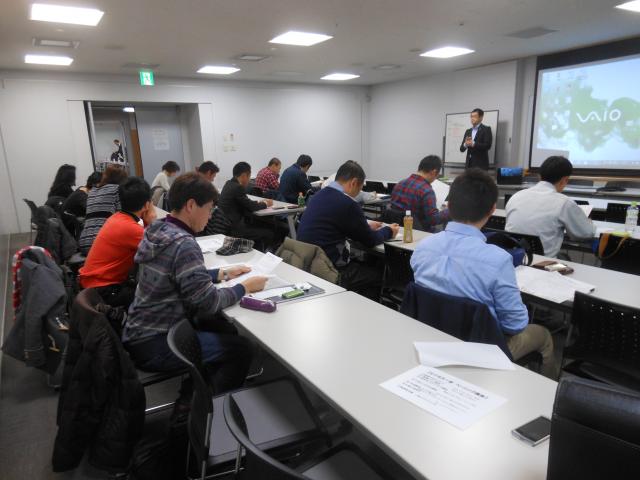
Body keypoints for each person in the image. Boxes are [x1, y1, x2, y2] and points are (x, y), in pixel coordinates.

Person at [123, 172, 267, 399]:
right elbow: (209, 302)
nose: (210, 216)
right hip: (157, 343)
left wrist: (221, 273)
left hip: (139, 331)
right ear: (191, 205)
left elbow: (174, 276)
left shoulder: (158, 229)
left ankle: (197, 387)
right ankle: (205, 407)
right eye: (209, 208)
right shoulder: (184, 244)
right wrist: (245, 287)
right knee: (242, 349)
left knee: (221, 327)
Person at [411, 169, 557, 378]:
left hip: (431, 339)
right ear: (492, 210)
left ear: (448, 206)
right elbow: (515, 325)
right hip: (482, 349)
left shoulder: (423, 247)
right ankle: (546, 393)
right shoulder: (498, 260)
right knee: (544, 336)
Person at [297, 160, 399, 297]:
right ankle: (363, 307)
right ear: (354, 183)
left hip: (307, 262)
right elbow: (370, 240)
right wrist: (389, 231)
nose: (358, 193)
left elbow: (333, 222)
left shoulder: (319, 195)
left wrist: (365, 225)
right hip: (330, 269)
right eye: (359, 188)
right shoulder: (348, 203)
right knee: (378, 275)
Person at [79, 177, 157, 308]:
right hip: (103, 290)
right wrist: (152, 221)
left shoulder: (117, 218)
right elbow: (160, 249)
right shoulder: (131, 228)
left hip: (91, 285)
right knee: (157, 296)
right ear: (146, 205)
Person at [505, 156, 595, 258]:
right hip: (544, 263)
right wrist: (588, 222)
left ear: (540, 176)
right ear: (564, 180)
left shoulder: (516, 196)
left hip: (513, 258)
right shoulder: (564, 202)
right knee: (565, 258)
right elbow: (585, 233)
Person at [219, 162, 276, 250]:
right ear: (244, 175)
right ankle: (260, 254)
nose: (249, 180)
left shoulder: (228, 184)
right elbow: (252, 207)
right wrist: (266, 204)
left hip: (225, 226)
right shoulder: (238, 188)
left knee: (257, 226)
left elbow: (246, 202)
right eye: (249, 177)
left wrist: (258, 202)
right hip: (234, 229)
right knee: (269, 233)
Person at [385, 155, 449, 231]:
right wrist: (450, 210)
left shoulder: (400, 183)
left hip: (397, 229)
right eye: (437, 175)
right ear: (433, 172)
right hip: (418, 231)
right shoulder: (427, 190)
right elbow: (434, 220)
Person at [78, 165, 128, 254]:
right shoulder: (117, 190)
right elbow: (124, 218)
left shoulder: (92, 191)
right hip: (101, 242)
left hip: (84, 242)